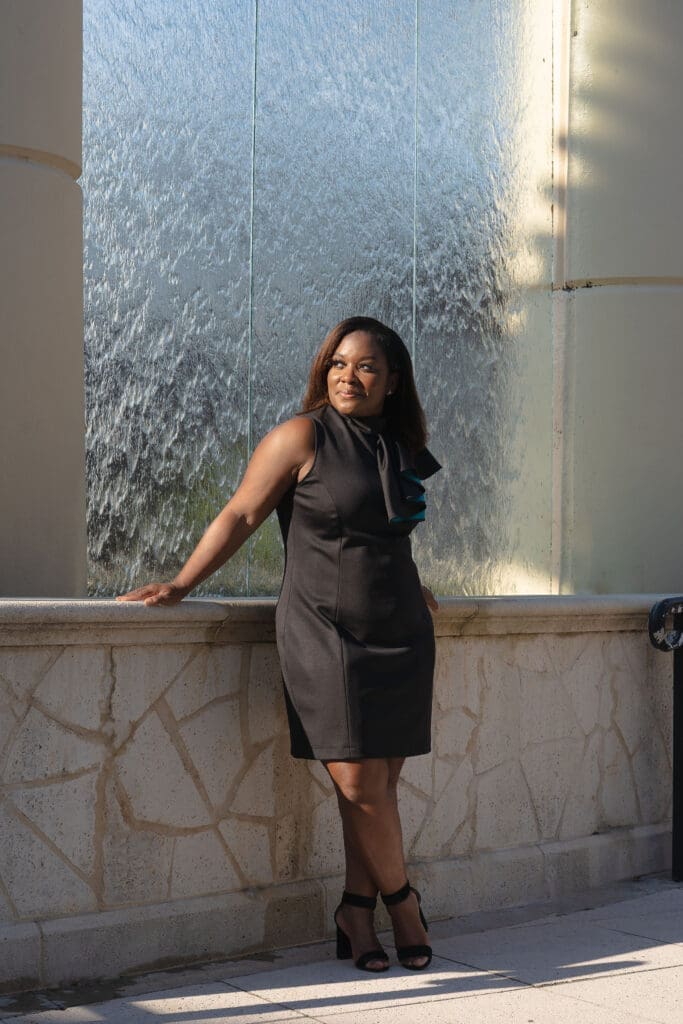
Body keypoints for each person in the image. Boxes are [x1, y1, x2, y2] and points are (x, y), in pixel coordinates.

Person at [118, 316, 441, 972]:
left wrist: (417, 584)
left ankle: (356, 910)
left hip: (400, 628)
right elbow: (240, 513)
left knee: (376, 783)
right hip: (324, 631)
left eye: (366, 366)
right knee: (357, 780)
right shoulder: (301, 436)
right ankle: (404, 906)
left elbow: (387, 533)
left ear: (392, 380)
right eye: (337, 365)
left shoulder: (401, 444)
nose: (348, 377)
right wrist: (180, 583)